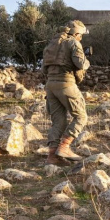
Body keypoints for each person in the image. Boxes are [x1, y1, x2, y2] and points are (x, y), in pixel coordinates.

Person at [42, 19, 91, 165]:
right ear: (76, 33)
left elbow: (44, 69)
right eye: (80, 35)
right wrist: (87, 60)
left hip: (50, 85)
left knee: (58, 121)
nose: (81, 38)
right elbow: (80, 64)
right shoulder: (73, 43)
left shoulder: (52, 44)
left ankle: (52, 157)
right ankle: (64, 146)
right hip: (66, 83)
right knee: (81, 117)